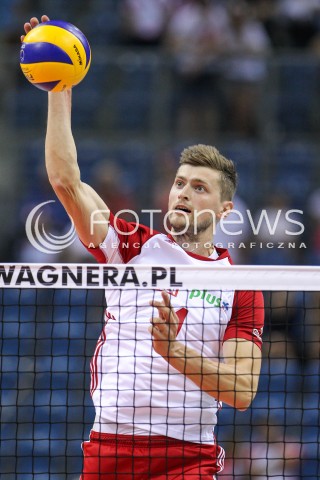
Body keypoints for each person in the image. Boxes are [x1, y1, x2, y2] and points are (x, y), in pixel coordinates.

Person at [22, 15, 264, 480]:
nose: (183, 193)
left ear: (226, 210)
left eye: (199, 187)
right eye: (179, 183)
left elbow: (241, 390)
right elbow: (65, 181)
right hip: (111, 445)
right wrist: (57, 87)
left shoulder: (241, 285)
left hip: (188, 457)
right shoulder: (133, 247)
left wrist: (172, 350)